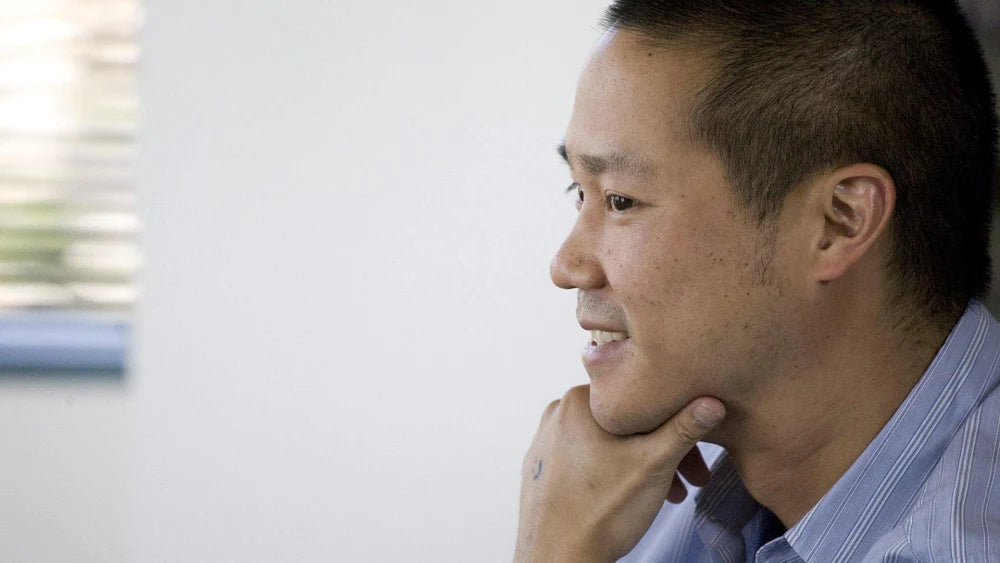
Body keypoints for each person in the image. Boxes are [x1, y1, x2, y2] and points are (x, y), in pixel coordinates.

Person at [514, 1, 1000, 562]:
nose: (566, 266)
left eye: (620, 201)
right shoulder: (630, 494)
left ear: (839, 222)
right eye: (579, 193)